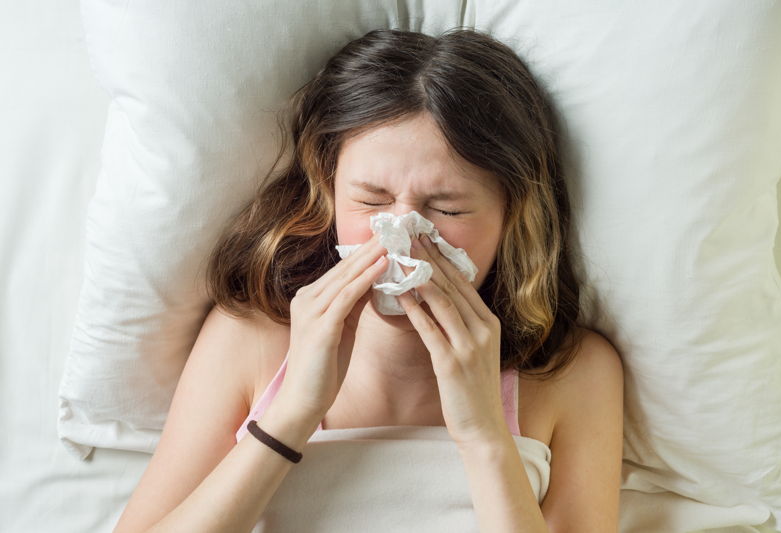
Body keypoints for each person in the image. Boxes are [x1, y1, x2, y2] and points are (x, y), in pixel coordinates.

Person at [114, 27, 624, 533]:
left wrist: (483, 435)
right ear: (329, 193)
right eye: (372, 202)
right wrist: (293, 415)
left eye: (446, 209)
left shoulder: (574, 376)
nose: (401, 236)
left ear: (512, 216)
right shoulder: (250, 340)